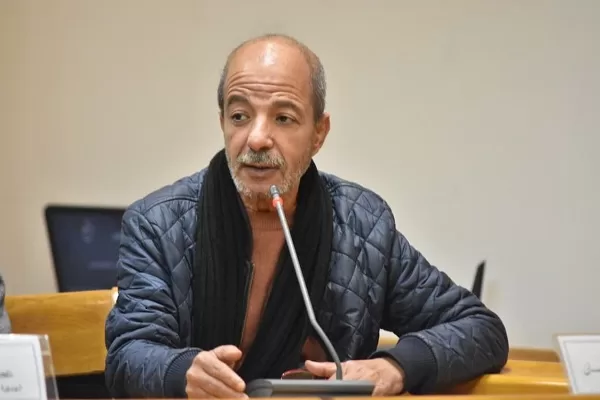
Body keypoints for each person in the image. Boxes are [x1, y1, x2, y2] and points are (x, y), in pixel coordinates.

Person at [104, 34, 509, 399]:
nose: (257, 138)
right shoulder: (158, 224)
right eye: (240, 116)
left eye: (283, 118)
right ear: (222, 122)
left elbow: (480, 327)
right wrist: (182, 371)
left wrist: (396, 367)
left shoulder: (362, 225)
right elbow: (127, 355)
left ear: (319, 133)